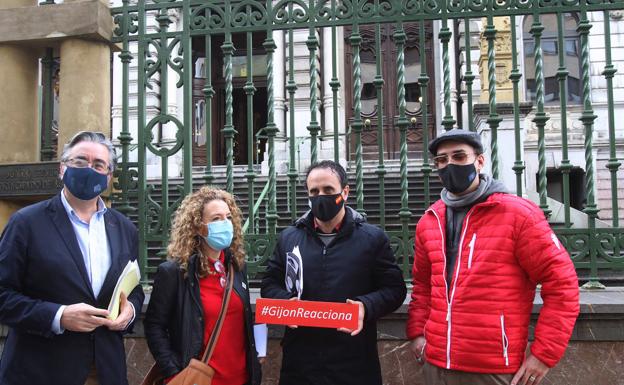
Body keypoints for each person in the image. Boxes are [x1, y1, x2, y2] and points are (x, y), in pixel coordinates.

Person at [406, 129, 580, 385]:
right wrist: (417, 335)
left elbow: (562, 284)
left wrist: (544, 354)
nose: (449, 165)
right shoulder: (430, 219)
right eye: (442, 160)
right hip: (436, 364)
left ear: (479, 161)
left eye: (459, 156)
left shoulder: (518, 214)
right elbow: (422, 286)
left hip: (494, 368)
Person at [0, 131, 145, 385]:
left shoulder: (124, 228)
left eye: (99, 164)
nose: (89, 169)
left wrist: (130, 311)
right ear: (62, 168)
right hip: (41, 370)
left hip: (105, 370)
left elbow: (133, 290)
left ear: (109, 176)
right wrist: (59, 315)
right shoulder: (26, 223)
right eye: (80, 161)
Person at [261, 160, 407, 385]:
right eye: (314, 191)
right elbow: (269, 283)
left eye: (328, 190)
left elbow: (394, 289)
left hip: (354, 364)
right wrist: (285, 302)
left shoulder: (371, 238)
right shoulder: (289, 238)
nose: (321, 196)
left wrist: (365, 306)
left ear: (345, 192)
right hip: (300, 364)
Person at [144, 186, 262, 385]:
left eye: (228, 218)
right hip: (199, 380)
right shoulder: (174, 272)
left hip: (240, 378)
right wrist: (173, 370)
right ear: (199, 227)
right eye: (216, 219)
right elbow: (154, 326)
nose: (225, 224)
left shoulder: (237, 267)